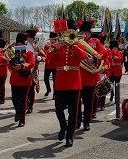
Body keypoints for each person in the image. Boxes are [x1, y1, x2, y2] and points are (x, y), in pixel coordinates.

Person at [53, 19, 87, 147]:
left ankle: (70, 136)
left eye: (70, 33)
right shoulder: (59, 45)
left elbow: (83, 56)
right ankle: (63, 127)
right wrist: (56, 48)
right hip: (61, 82)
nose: (67, 35)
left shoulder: (79, 45)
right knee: (58, 109)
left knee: (73, 112)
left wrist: (73, 45)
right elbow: (50, 60)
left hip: (74, 82)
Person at [77, 21, 107, 131]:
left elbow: (104, 53)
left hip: (90, 77)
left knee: (88, 102)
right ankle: (77, 121)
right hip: (78, 77)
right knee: (76, 103)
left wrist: (94, 59)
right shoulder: (76, 42)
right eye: (82, 32)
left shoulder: (95, 42)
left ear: (89, 33)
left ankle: (86, 122)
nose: (84, 34)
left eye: (86, 32)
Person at [9, 33, 35, 127]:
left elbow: (31, 64)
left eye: (21, 44)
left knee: (23, 100)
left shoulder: (29, 53)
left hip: (25, 80)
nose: (19, 45)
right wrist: (11, 61)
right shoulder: (13, 52)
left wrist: (22, 65)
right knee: (14, 100)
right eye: (18, 43)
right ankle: (18, 112)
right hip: (15, 80)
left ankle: (22, 120)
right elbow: (10, 67)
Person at [26, 29, 44, 114]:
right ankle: (27, 103)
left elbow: (44, 57)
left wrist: (38, 57)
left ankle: (30, 106)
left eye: (31, 38)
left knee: (31, 87)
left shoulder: (36, 47)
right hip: (25, 68)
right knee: (26, 88)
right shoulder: (24, 45)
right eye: (28, 38)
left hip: (34, 69)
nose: (29, 40)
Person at [43, 32, 58, 99]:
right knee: (45, 79)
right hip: (48, 65)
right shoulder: (48, 45)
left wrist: (52, 46)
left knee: (55, 81)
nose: (50, 40)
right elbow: (45, 48)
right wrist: (49, 45)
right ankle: (48, 89)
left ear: (55, 39)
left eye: (52, 39)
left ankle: (55, 94)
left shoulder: (57, 45)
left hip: (55, 65)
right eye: (50, 39)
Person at [0, 39, 8, 105]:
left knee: (2, 85)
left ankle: (2, 99)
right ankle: (2, 96)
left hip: (3, 70)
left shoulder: (5, 52)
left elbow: (8, 61)